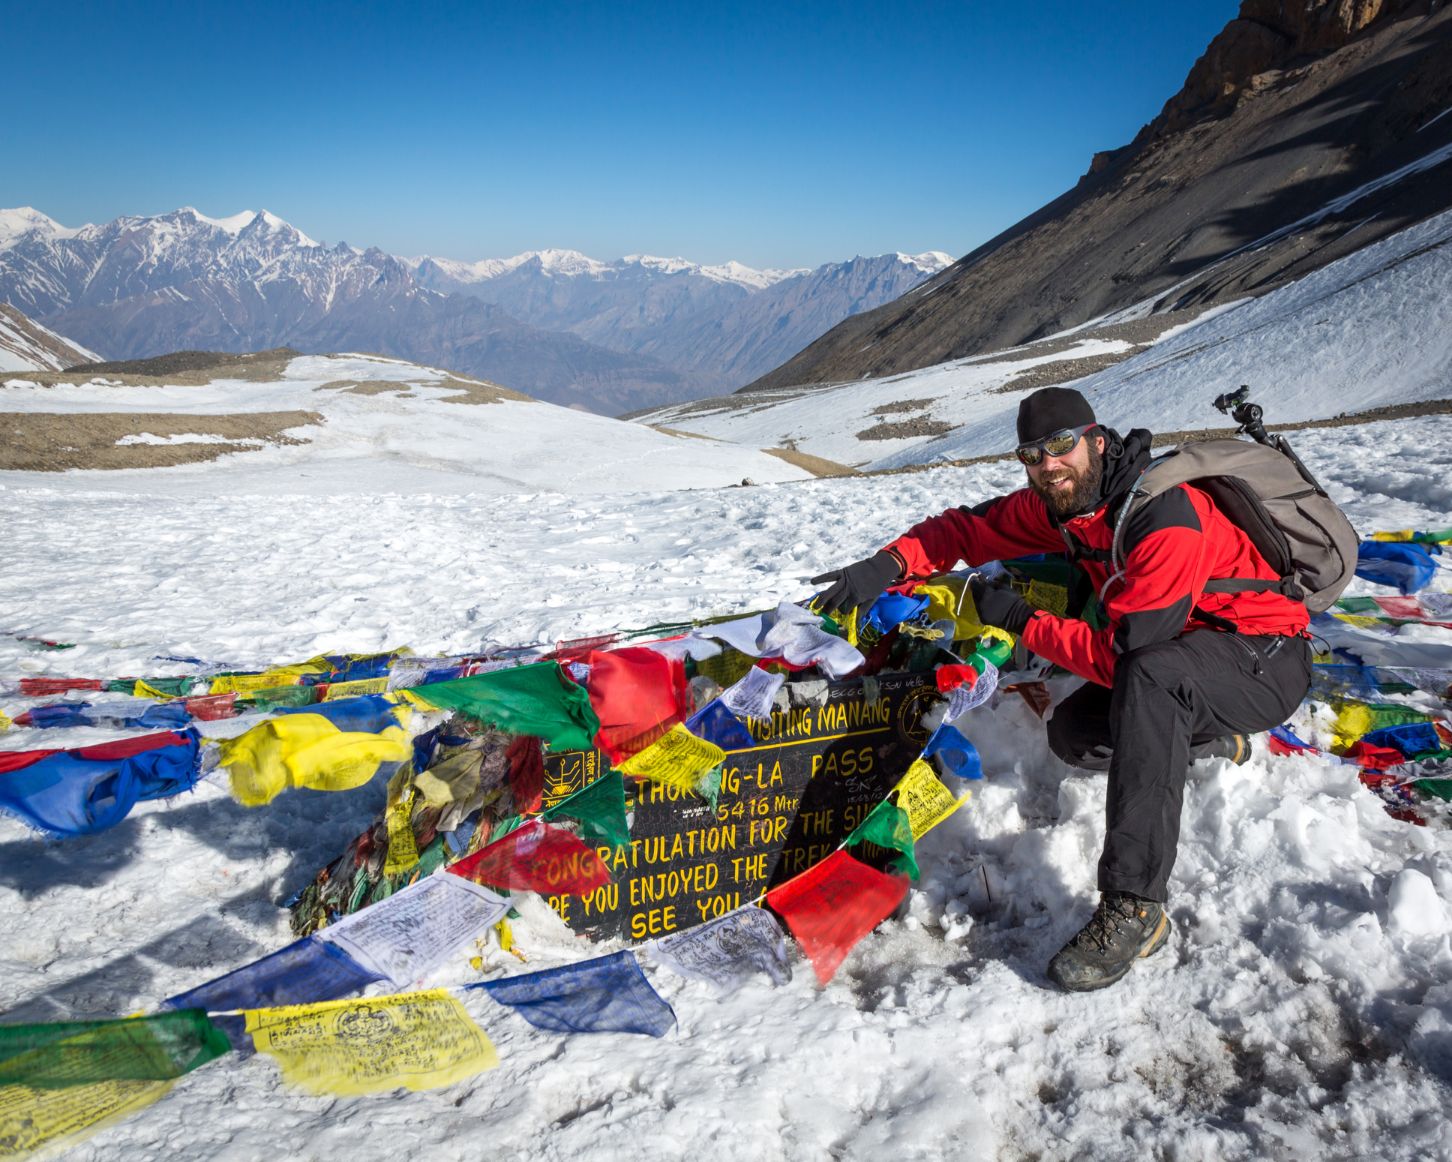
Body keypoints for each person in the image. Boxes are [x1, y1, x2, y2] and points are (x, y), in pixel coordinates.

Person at [810, 386, 1312, 991]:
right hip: (1186, 660)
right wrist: (886, 566)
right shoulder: (1065, 505)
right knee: (1076, 735)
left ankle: (1135, 908)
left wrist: (1020, 619)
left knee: (1151, 680)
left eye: (1061, 444)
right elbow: (965, 532)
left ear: (1096, 441)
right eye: (1031, 454)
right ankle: (1212, 741)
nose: (1048, 464)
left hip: (1261, 657)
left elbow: (1121, 659)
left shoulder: (1164, 517)